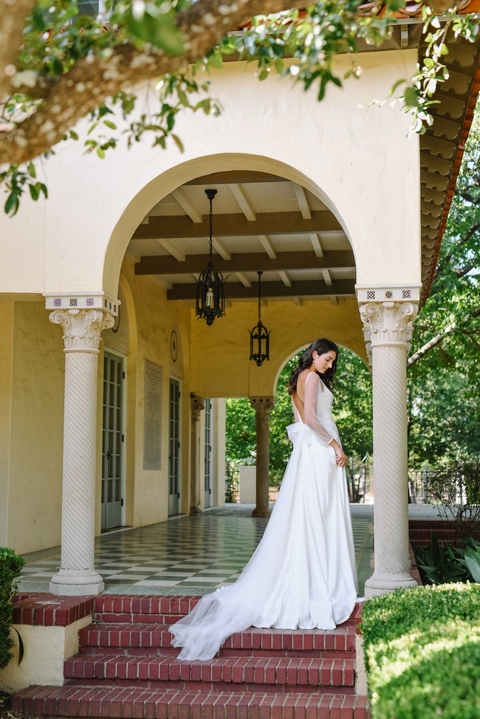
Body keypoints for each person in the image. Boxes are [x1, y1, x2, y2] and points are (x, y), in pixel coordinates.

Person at [170, 338, 359, 661]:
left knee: (313, 518)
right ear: (314, 355)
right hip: (319, 451)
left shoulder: (302, 377)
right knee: (318, 518)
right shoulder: (312, 378)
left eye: (332, 361)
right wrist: (336, 447)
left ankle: (318, 579)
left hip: (313, 453)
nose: (330, 365)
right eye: (327, 359)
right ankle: (318, 586)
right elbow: (312, 420)